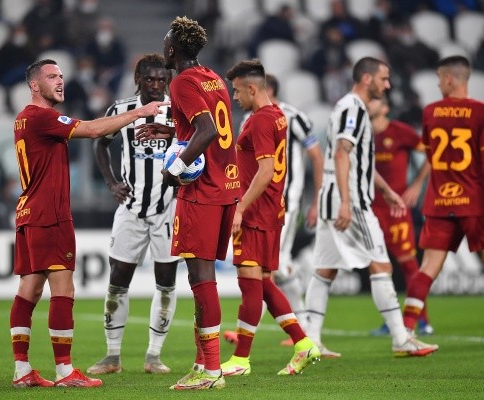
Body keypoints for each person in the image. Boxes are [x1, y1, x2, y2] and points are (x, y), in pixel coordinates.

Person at [9, 58, 167, 388]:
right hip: (50, 215)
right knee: (63, 289)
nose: (60, 81)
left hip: (28, 211)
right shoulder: (42, 116)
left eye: (61, 75)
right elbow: (94, 130)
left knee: (29, 290)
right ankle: (65, 371)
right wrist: (140, 112)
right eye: (51, 77)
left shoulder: (23, 118)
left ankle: (22, 370)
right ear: (34, 85)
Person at [303, 57, 438, 358]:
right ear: (367, 79)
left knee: (324, 271)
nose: (387, 85)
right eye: (383, 78)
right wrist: (347, 202)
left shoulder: (350, 107)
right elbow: (342, 154)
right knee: (381, 266)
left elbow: (356, 160)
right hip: (352, 202)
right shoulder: (353, 108)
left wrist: (387, 190)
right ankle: (401, 338)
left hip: (333, 199)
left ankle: (310, 341)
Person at [136, 16, 240, 390]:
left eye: (166, 41)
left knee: (201, 278)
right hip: (227, 185)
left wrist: (174, 169)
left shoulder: (181, 82)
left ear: (171, 49)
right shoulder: (213, 77)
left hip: (202, 191)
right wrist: (171, 131)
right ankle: (202, 364)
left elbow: (207, 130)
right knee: (204, 276)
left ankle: (210, 370)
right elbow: (212, 126)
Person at [219, 59, 320, 378]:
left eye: (237, 91)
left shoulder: (262, 120)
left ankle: (240, 359)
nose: (235, 97)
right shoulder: (277, 115)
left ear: (252, 88)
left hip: (256, 213)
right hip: (272, 210)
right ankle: (303, 344)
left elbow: (265, 170)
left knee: (250, 283)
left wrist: (240, 208)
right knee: (262, 282)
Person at [86, 54, 179, 375]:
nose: (156, 85)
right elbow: (99, 143)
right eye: (149, 79)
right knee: (117, 280)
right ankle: (112, 356)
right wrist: (111, 183)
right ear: (138, 79)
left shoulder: (178, 111)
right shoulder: (121, 110)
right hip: (131, 208)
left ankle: (154, 356)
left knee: (166, 282)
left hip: (167, 207)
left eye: (161, 79)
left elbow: (195, 146)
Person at [402, 56, 484, 332]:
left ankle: (406, 331)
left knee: (427, 268)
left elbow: (430, 154)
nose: (438, 83)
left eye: (439, 78)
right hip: (474, 202)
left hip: (439, 202)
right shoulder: (480, 112)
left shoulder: (431, 112)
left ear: (449, 78)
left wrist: (419, 184)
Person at [367, 97, 434, 337]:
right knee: (379, 267)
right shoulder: (362, 133)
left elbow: (431, 153)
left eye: (374, 101)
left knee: (408, 264)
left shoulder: (400, 132)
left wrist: (416, 185)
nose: (368, 104)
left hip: (396, 210)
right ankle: (392, 320)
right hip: (370, 209)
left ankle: (422, 321)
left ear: (385, 108)